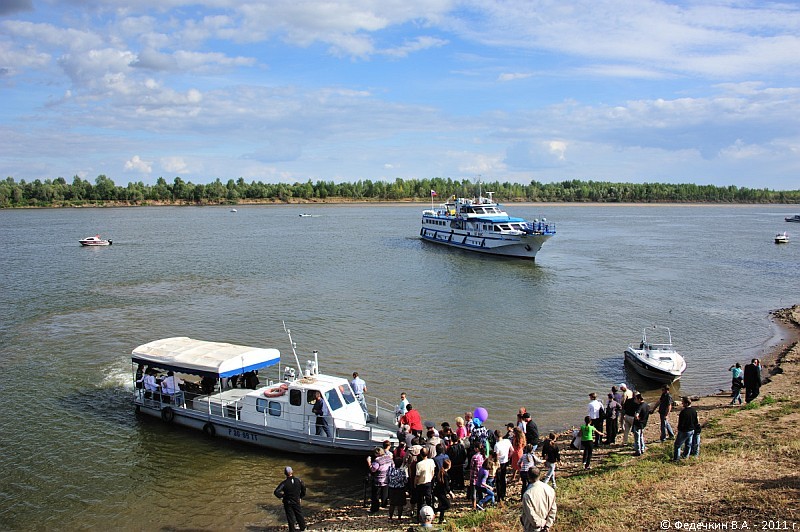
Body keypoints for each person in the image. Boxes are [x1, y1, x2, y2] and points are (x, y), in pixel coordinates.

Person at [520, 466, 557, 532]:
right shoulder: (550, 489)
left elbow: (532, 516)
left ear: (528, 477)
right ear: (539, 475)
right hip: (545, 528)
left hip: (532, 528)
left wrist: (542, 523)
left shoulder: (527, 495)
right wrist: (547, 525)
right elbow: (553, 509)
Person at [274, 466, 306, 532]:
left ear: (285, 473)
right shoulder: (298, 481)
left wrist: (282, 496)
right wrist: (300, 497)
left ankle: (292, 530)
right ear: (292, 472)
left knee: (290, 517)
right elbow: (304, 489)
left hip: (288, 502)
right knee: (299, 514)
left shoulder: (284, 483)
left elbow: (276, 492)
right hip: (296, 500)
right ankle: (303, 528)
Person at [368, 447, 393, 513]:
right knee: (384, 493)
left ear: (376, 453)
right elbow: (393, 466)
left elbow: (373, 469)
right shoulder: (388, 458)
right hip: (386, 478)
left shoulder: (377, 460)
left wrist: (369, 462)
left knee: (375, 495)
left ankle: (375, 508)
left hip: (378, 479)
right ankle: (384, 505)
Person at [674, 396, 698, 462]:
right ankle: (686, 456)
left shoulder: (683, 412)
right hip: (691, 430)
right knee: (688, 444)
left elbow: (681, 423)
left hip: (684, 431)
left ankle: (676, 459)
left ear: (686, 403)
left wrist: (679, 429)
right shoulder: (694, 410)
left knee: (677, 445)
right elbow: (696, 421)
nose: (682, 404)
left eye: (683, 403)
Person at [414, 448, 435, 518]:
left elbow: (417, 476)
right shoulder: (431, 461)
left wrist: (415, 483)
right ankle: (430, 514)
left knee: (420, 500)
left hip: (421, 483)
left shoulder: (419, 464)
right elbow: (433, 471)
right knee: (429, 499)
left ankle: (419, 515)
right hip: (429, 482)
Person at [387, 455, 409, 521]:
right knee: (400, 504)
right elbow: (405, 481)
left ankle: (390, 517)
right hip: (400, 489)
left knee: (392, 504)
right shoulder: (402, 471)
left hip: (392, 488)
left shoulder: (390, 470)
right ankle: (399, 517)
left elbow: (388, 478)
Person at [432, 458, 453, 524]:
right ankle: (435, 510)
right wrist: (451, 493)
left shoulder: (441, 472)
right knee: (447, 505)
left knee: (443, 504)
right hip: (441, 492)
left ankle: (441, 519)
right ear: (449, 466)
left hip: (438, 491)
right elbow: (446, 486)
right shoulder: (445, 475)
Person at [493, 431, 513, 502]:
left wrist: (495, 464)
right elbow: (512, 450)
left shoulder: (497, 445)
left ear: (496, 436)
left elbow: (496, 456)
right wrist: (508, 457)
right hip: (505, 461)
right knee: (503, 478)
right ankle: (503, 494)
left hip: (499, 463)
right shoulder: (507, 441)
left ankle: (499, 496)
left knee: (498, 480)